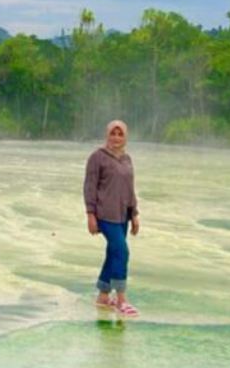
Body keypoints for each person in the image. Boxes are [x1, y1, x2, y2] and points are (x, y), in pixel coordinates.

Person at [83, 119, 140, 317]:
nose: (116, 138)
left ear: (125, 137)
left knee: (113, 253)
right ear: (107, 135)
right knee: (122, 252)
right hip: (105, 214)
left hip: (123, 214)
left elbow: (130, 189)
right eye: (112, 134)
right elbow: (89, 187)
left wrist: (135, 214)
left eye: (120, 134)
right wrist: (90, 215)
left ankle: (103, 296)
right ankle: (121, 300)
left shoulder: (127, 159)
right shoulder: (97, 157)